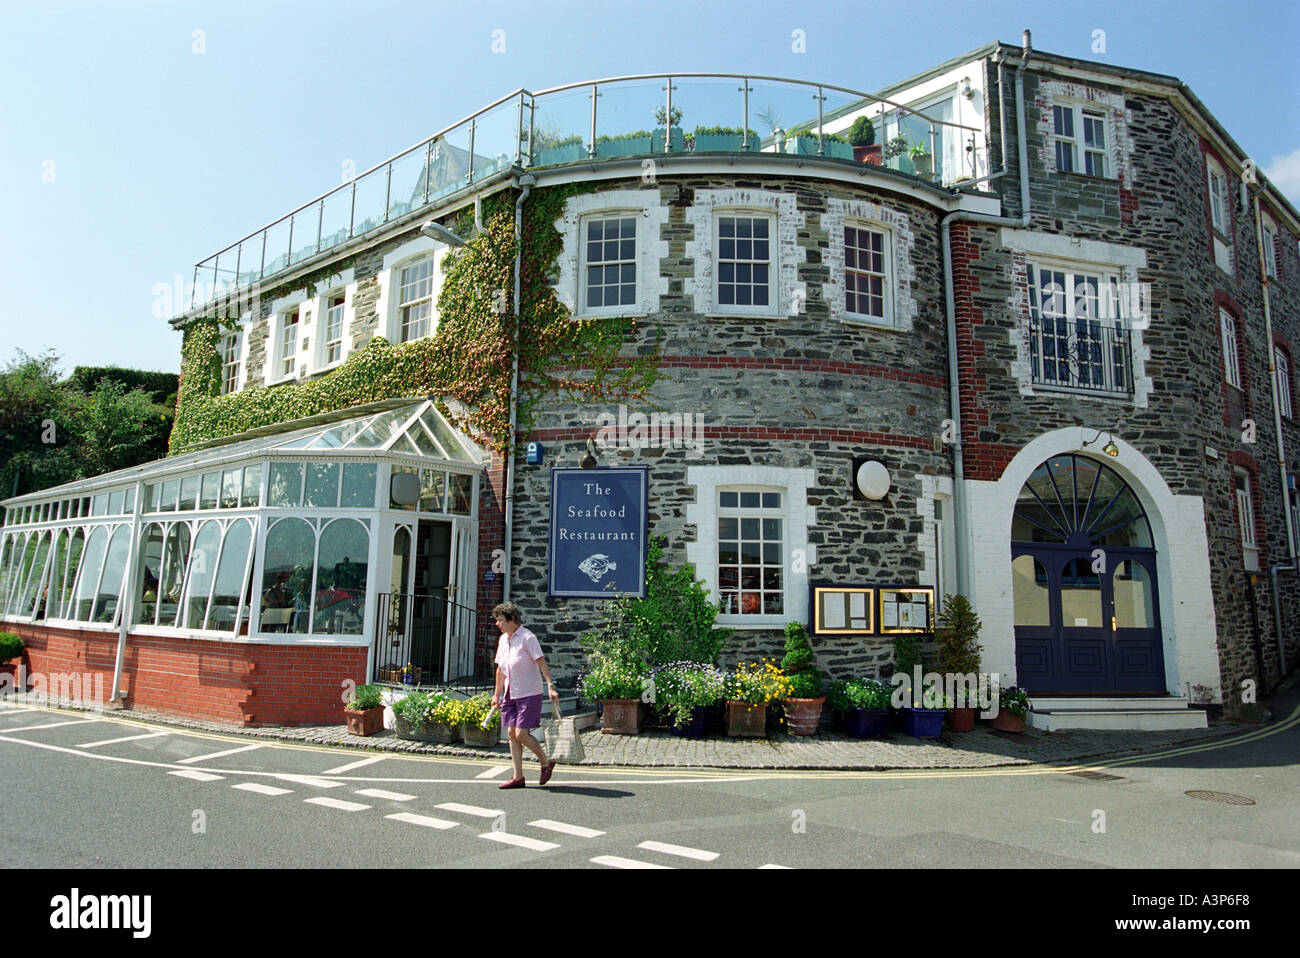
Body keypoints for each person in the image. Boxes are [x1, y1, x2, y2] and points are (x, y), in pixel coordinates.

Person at [491, 602, 562, 789]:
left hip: (529, 693)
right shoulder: (503, 640)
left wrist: (550, 685)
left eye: (500, 620)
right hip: (510, 693)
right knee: (511, 734)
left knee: (521, 734)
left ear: (512, 619)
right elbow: (500, 669)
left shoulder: (528, 638)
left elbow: (541, 663)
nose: (498, 624)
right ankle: (518, 777)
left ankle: (545, 761)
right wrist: (496, 695)